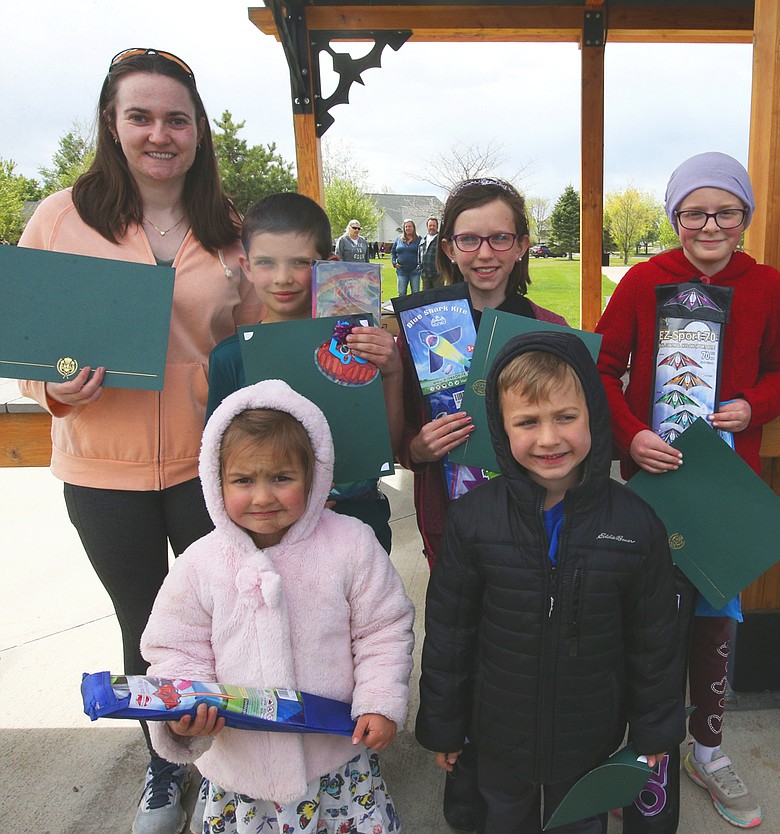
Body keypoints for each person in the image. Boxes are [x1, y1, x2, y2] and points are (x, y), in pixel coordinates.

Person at [16, 47, 261, 834]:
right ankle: (163, 764)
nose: (161, 133)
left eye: (176, 119)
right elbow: (26, 349)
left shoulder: (230, 230)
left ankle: (224, 760)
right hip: (102, 468)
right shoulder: (61, 217)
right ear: (114, 125)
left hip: (207, 463)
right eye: (142, 117)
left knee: (214, 617)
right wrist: (54, 386)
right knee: (145, 621)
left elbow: (258, 340)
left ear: (198, 133)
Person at [595, 151, 780, 831]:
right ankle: (639, 743)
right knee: (647, 614)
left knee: (715, 618)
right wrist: (628, 435)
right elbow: (603, 370)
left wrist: (753, 407)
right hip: (653, 478)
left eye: (724, 212)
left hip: (724, 484)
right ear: (674, 217)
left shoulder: (766, 285)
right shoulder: (642, 282)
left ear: (744, 218)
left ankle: (706, 751)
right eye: (693, 212)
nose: (708, 225)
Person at [416, 331, 685, 834]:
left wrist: (654, 731)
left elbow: (656, 641)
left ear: (594, 417)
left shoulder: (636, 523)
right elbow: (450, 634)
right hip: (498, 731)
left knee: (580, 822)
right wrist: (445, 725)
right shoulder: (473, 520)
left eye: (565, 417)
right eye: (527, 422)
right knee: (503, 819)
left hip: (590, 733)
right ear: (501, 427)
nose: (548, 439)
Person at [140, 379, 416, 834]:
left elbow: (383, 630)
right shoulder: (200, 563)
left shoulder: (349, 545)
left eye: (281, 478)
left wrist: (379, 702)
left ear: (315, 475)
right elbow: (175, 647)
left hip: (333, 763)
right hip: (241, 773)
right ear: (216, 481)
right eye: (244, 480)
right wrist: (186, 710)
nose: (263, 496)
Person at [395, 176, 567, 831]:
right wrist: (422, 443)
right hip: (455, 521)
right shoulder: (422, 332)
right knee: (461, 641)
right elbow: (401, 444)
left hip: (534, 524)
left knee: (527, 642)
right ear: (447, 246)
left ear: (523, 245)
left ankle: (527, 761)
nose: (485, 251)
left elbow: (575, 436)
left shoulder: (547, 330)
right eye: (469, 238)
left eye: (500, 237)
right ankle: (463, 769)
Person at [204, 192, 405, 552]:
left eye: (300, 262)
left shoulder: (356, 347)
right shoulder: (231, 359)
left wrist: (391, 372)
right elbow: (218, 465)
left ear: (328, 265)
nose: (282, 278)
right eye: (265, 263)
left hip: (356, 520)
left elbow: (385, 446)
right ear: (245, 266)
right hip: (267, 535)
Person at [390, 218, 424, 296]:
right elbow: (393, 252)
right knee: (401, 293)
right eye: (406, 227)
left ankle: (414, 308)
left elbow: (422, 253)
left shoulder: (419, 239)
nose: (408, 228)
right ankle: (402, 308)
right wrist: (394, 263)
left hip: (415, 271)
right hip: (402, 270)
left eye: (410, 226)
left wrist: (420, 265)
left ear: (413, 228)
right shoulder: (399, 239)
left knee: (415, 293)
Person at [419, 215, 443, 290]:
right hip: (425, 275)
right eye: (430, 225)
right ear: (427, 227)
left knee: (438, 297)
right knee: (426, 298)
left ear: (437, 227)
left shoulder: (441, 239)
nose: (432, 227)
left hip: (437, 275)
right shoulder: (423, 239)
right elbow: (419, 255)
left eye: (434, 225)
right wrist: (420, 267)